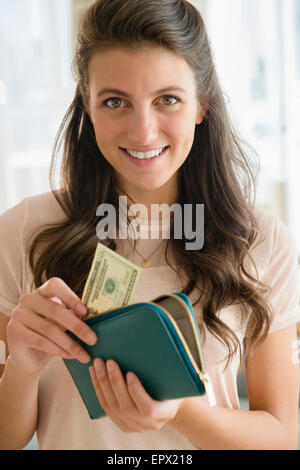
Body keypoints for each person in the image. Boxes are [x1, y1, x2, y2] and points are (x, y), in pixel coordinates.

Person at [0, 0, 299, 451]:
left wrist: (179, 408)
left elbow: (281, 436)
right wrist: (21, 364)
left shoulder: (264, 242)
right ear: (87, 105)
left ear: (202, 104)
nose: (142, 132)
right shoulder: (23, 231)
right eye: (115, 101)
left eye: (168, 100)